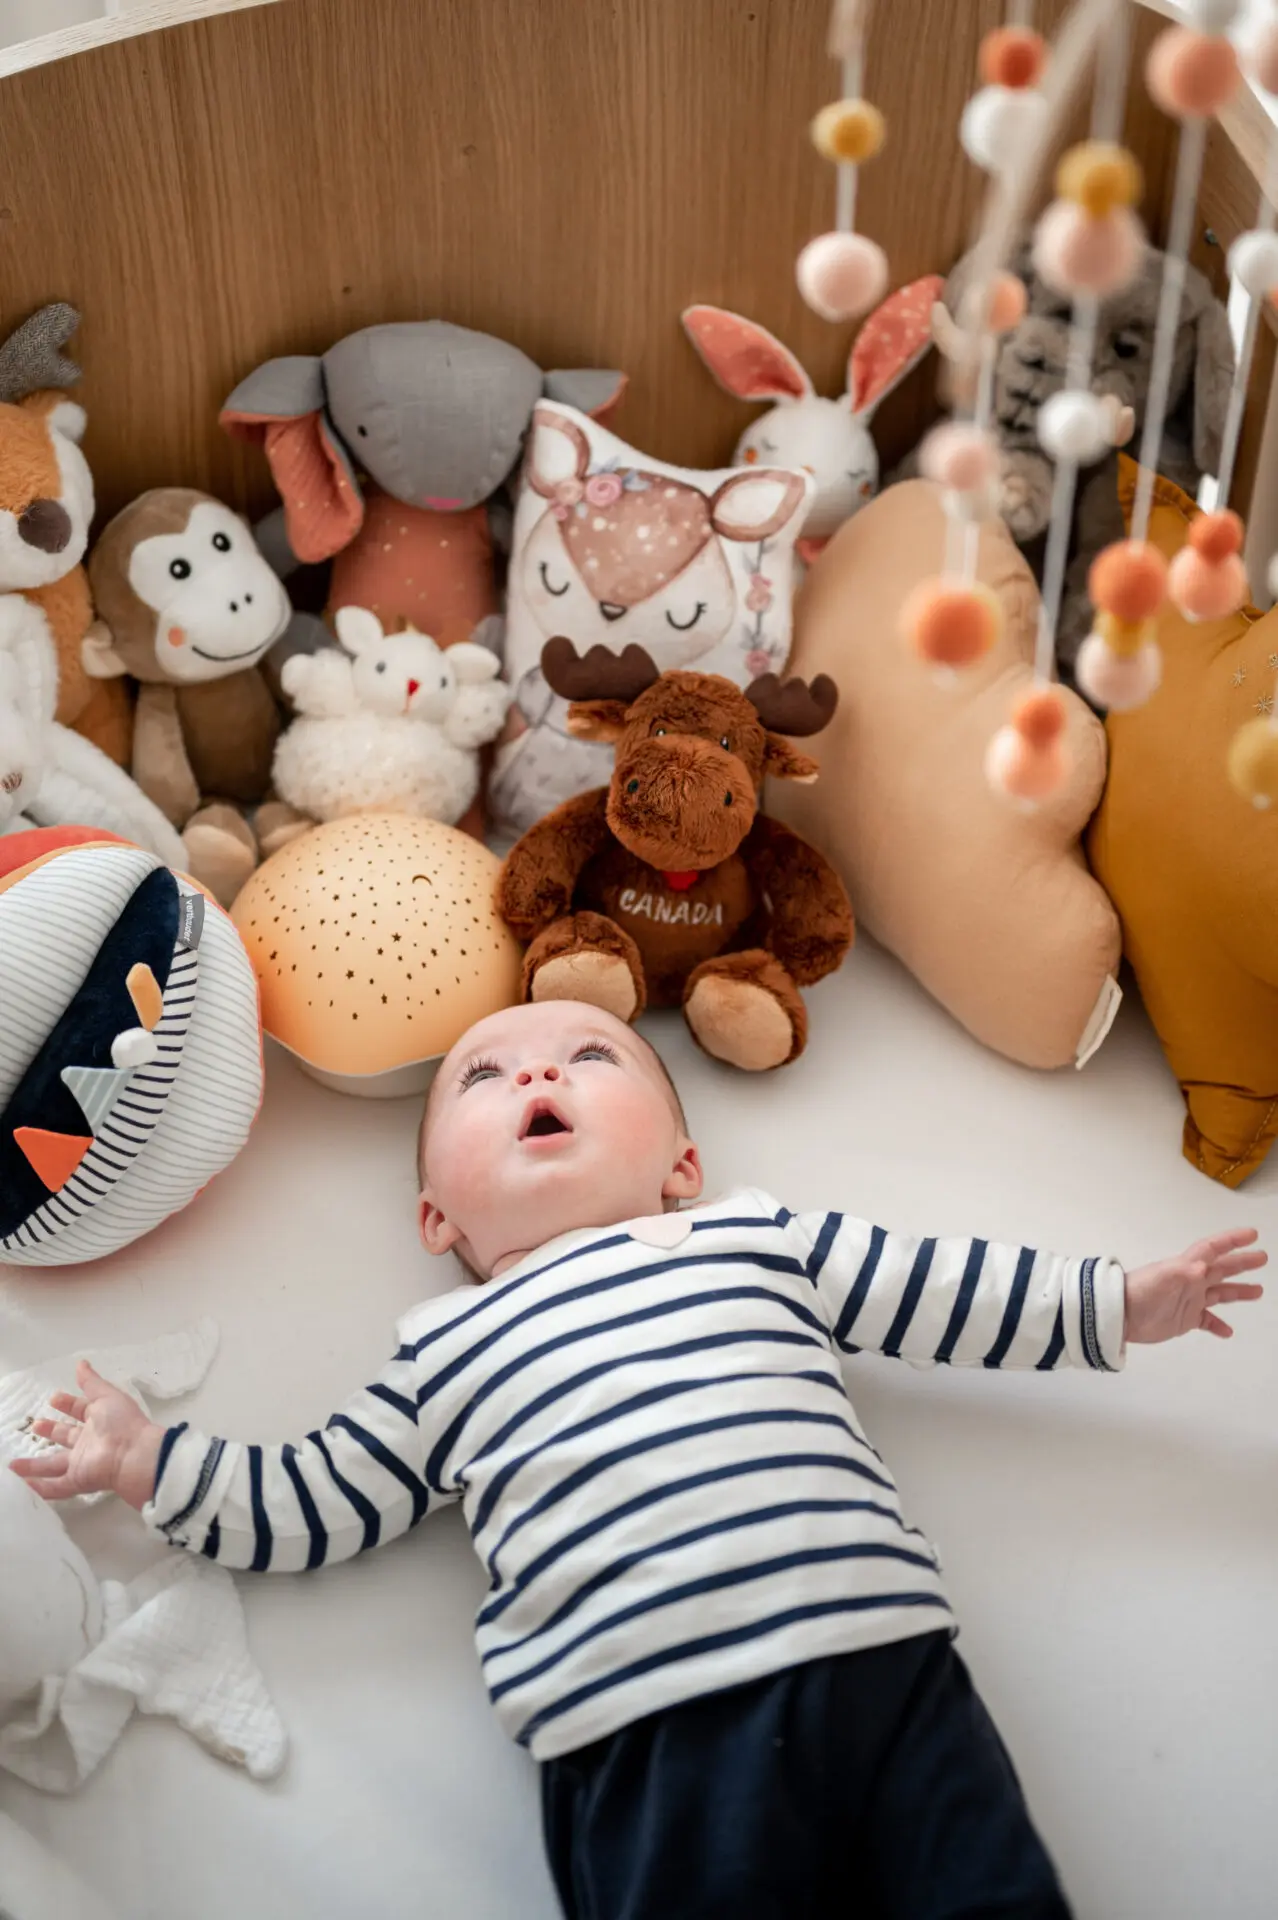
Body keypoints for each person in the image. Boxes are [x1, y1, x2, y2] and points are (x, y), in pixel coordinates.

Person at [11, 1001, 1265, 1920]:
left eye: (590, 1055)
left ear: (681, 1167)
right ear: (438, 1218)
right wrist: (155, 1460)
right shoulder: (442, 1350)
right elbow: (315, 1499)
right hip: (640, 1726)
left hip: (881, 1668)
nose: (538, 1068)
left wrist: (1111, 1301)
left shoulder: (754, 1240)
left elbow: (943, 1288)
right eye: (482, 1076)